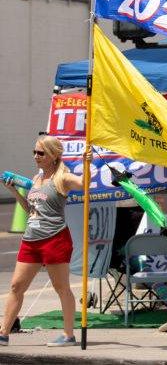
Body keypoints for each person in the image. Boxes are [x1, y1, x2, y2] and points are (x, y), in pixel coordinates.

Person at [0, 135, 86, 347]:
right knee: (16, 286)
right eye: (34, 152)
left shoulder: (62, 178)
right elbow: (32, 210)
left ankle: (68, 335)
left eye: (41, 153)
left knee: (61, 288)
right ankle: (3, 333)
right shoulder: (36, 179)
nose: (36, 156)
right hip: (31, 240)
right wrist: (13, 191)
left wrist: (87, 162)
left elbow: (84, 183)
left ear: (54, 156)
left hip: (54, 238)